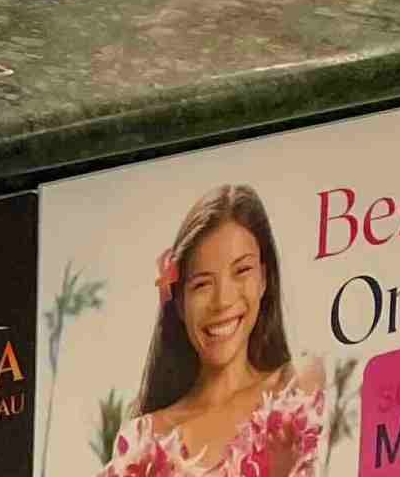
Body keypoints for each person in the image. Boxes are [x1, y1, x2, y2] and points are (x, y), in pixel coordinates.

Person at [103, 185, 322, 475]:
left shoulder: (298, 383)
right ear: (179, 302)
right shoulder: (145, 436)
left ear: (264, 279)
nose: (222, 302)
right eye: (202, 284)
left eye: (242, 271)